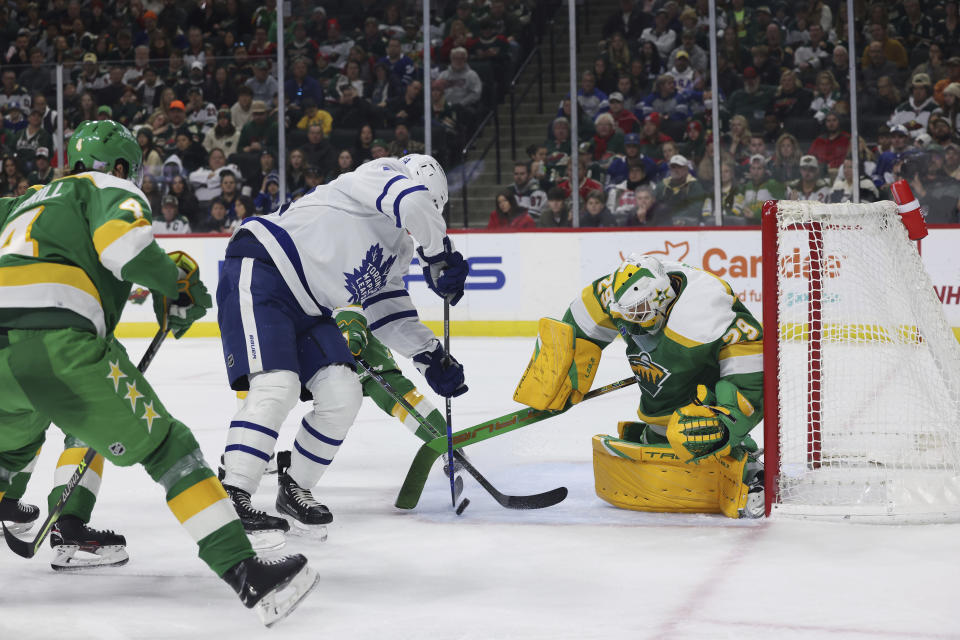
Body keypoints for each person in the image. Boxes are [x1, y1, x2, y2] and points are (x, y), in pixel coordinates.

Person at [0, 120, 317, 623]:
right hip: (59, 344)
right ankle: (247, 574)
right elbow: (124, 248)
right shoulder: (109, 187)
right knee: (172, 450)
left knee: (12, 449)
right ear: (122, 166)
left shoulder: (23, 202)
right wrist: (177, 285)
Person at [216, 154, 469, 541]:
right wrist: (439, 255)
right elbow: (414, 204)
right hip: (264, 267)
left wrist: (430, 356)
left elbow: (388, 314)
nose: (418, 231)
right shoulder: (377, 175)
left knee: (343, 393)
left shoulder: (398, 250)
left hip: (311, 307)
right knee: (277, 385)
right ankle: (233, 494)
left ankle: (295, 487)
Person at [512, 254, 764, 518]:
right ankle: (657, 435)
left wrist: (727, 421)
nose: (632, 323)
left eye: (639, 313)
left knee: (700, 433)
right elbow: (583, 319)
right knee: (661, 412)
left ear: (661, 299)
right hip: (665, 384)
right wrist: (563, 367)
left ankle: (740, 457)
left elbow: (749, 367)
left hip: (704, 383)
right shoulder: (618, 294)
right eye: (626, 315)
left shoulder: (706, 310)